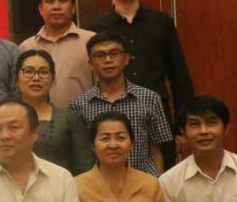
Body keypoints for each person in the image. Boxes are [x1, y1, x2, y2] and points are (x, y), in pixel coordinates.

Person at [89, 0, 194, 164]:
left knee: (162, 178)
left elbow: (179, 75)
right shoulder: (96, 29)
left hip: (158, 119)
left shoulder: (161, 22)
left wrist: (182, 125)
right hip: (112, 119)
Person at [69, 33, 172, 176]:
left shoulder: (150, 98)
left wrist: (156, 184)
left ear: (126, 58)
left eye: (114, 53)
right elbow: (79, 154)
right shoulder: (79, 105)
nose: (108, 60)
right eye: (100, 55)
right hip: (99, 185)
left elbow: (157, 150)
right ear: (90, 63)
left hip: (142, 182)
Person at [17, 0, 95, 108]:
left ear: (73, 7)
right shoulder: (26, 47)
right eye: (50, 1)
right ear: (40, 9)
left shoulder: (91, 42)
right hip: (37, 119)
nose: (56, 7)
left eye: (63, 0)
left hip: (82, 118)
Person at [15, 49, 93, 175]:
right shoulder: (3, 118)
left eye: (43, 72)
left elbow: (85, 166)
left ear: (53, 79)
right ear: (16, 78)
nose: (36, 78)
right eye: (28, 71)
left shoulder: (68, 118)